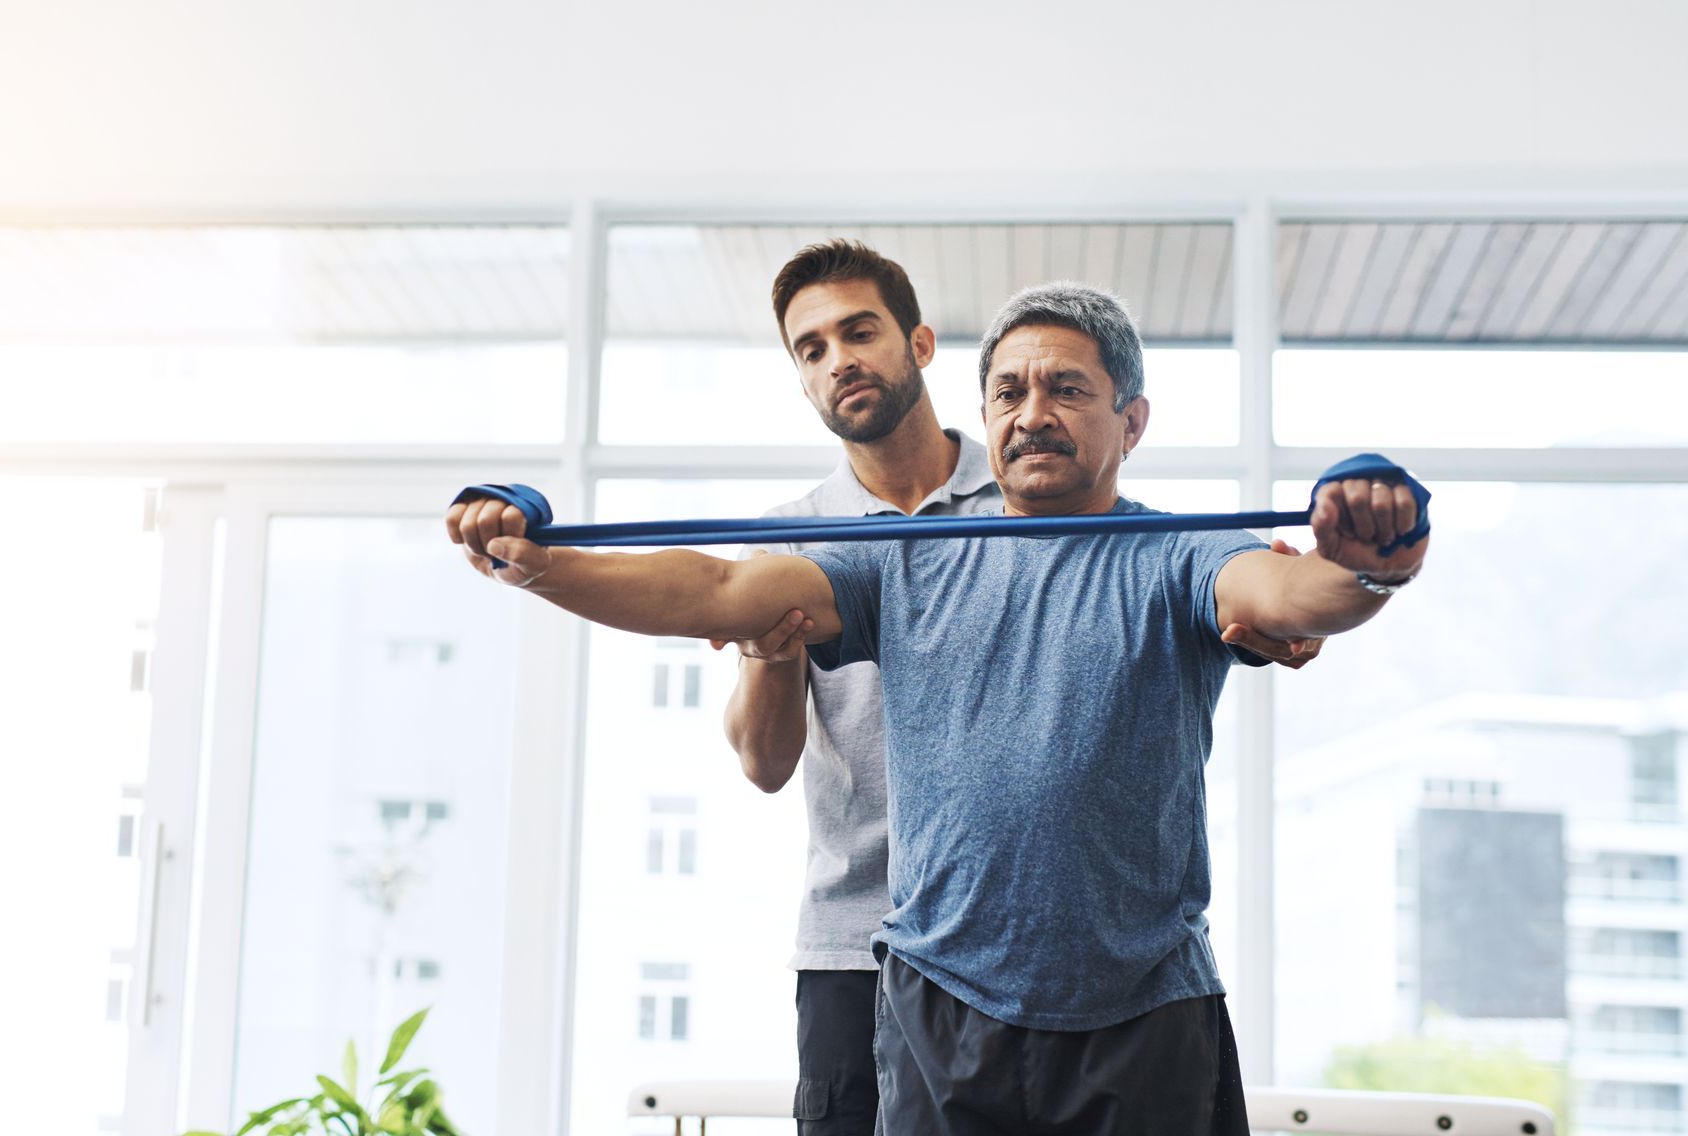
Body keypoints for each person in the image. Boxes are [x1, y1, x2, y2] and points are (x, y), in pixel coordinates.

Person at [447, 281, 1426, 1135]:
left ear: (1132, 422)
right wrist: (541, 563)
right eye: (1009, 390)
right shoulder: (911, 555)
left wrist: (1370, 564)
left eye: (1067, 389)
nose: (1031, 412)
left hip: (1144, 1014)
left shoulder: (1179, 555)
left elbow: (1293, 597)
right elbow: (713, 587)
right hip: (942, 1009)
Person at [714, 241, 1324, 1136]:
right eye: (810, 349)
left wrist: (1305, 599)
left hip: (1069, 955)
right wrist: (770, 641)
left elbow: (1226, 597)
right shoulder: (791, 538)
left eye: (858, 331)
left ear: (919, 345)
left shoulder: (1030, 482)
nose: (838, 359)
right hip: (862, 948)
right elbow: (765, 764)